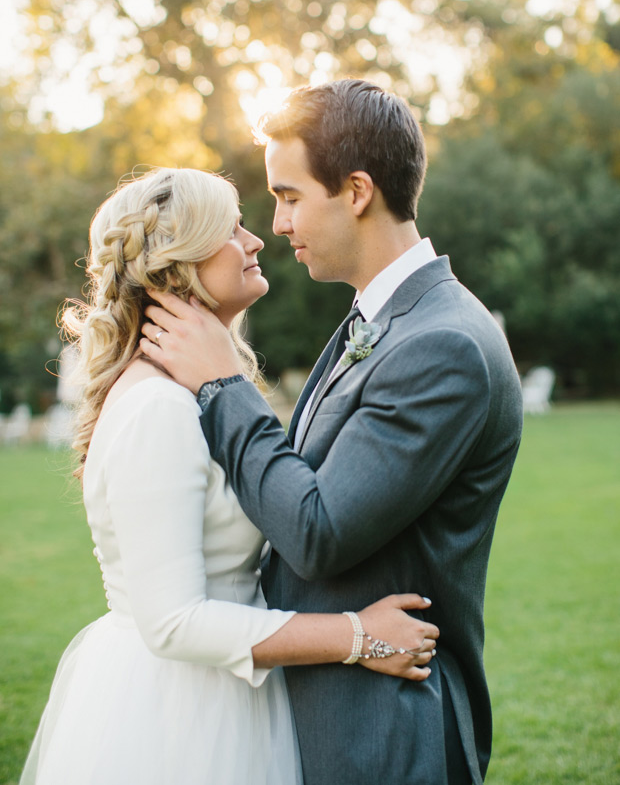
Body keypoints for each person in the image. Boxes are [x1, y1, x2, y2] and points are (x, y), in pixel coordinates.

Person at [141, 80, 524, 785]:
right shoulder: (377, 319)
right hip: (328, 711)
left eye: (289, 197)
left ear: (355, 191)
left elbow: (317, 530)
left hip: (385, 733)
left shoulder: (444, 344)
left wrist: (224, 384)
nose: (278, 225)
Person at [20, 166, 440, 785]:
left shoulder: (192, 392)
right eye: (233, 228)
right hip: (182, 715)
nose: (256, 241)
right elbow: (173, 621)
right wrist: (358, 636)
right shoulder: (158, 407)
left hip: (235, 692)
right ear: (177, 265)